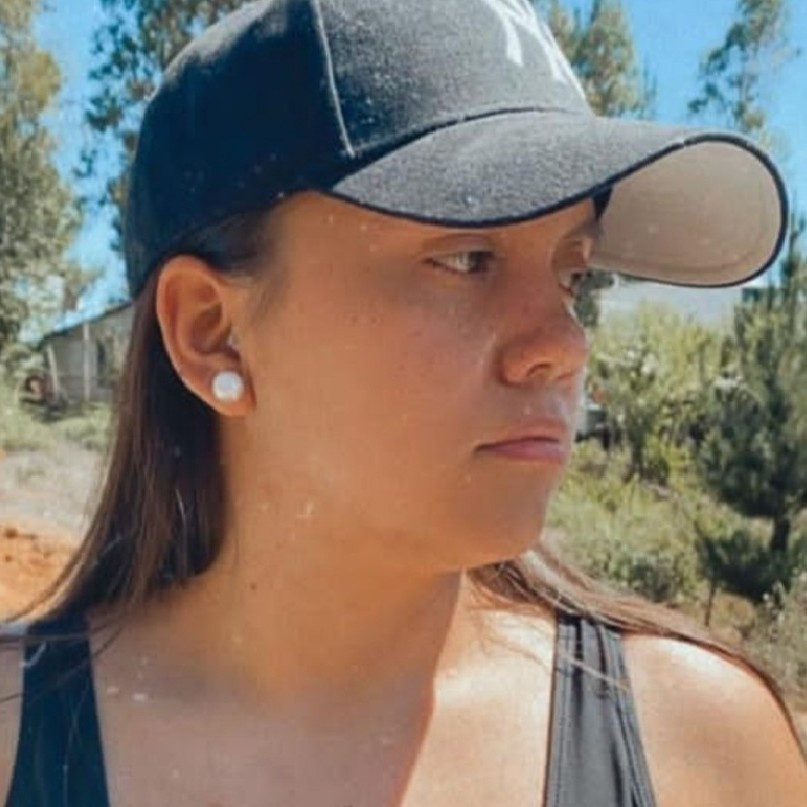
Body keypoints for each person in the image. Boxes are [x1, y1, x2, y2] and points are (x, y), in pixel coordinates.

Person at [1, 0, 805, 804]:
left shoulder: (702, 749)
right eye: (466, 257)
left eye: (571, 273)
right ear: (213, 332)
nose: (562, 344)